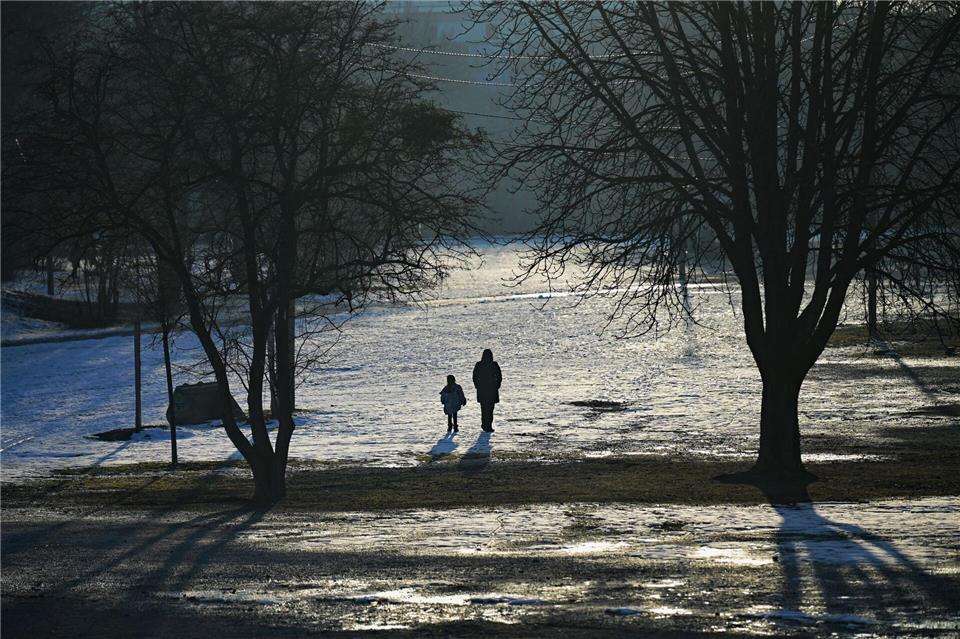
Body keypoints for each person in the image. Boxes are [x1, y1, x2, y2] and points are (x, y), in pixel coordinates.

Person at [472, 348, 502, 432]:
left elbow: (474, 376)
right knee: (490, 409)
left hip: (482, 390)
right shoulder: (494, 364)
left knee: (484, 409)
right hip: (492, 390)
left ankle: (485, 424)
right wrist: (497, 385)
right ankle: (488, 425)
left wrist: (477, 386)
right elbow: (499, 376)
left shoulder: (479, 364)